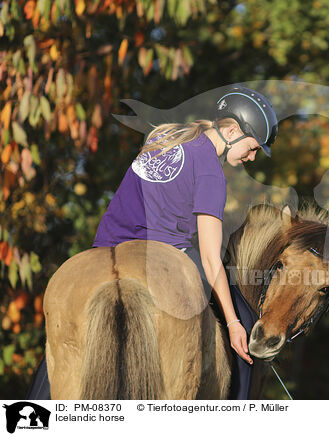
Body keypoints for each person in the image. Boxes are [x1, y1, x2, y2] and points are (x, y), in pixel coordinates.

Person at [26, 85, 279, 400]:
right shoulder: (212, 174)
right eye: (253, 147)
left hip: (106, 246)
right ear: (230, 130)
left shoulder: (165, 137)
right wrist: (232, 323)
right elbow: (212, 259)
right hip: (165, 253)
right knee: (244, 322)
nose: (253, 157)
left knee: (64, 342)